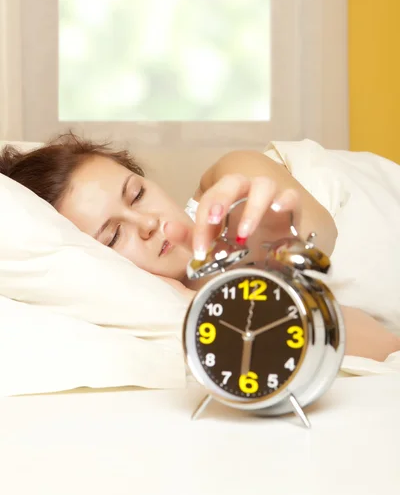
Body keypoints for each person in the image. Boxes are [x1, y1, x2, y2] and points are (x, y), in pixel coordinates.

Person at [1, 133, 400, 362]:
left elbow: (320, 234)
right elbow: (385, 345)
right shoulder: (187, 312)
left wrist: (272, 252)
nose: (147, 224)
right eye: (113, 236)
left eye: (137, 194)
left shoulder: (230, 177)